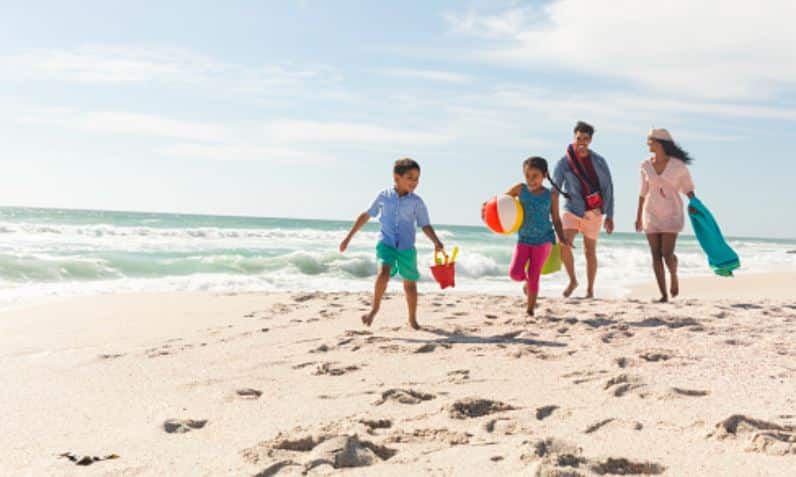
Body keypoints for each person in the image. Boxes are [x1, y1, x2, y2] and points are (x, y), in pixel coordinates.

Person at [339, 158, 444, 329]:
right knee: (383, 274)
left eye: (417, 178)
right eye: (410, 177)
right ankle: (374, 309)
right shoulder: (384, 196)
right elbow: (367, 215)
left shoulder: (417, 202)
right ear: (397, 177)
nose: (414, 182)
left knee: (410, 285)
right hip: (386, 243)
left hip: (406, 248)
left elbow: (425, 224)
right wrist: (348, 237)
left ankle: (412, 319)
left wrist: (437, 242)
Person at [552, 121, 615, 298]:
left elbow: (609, 188)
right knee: (564, 244)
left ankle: (590, 290)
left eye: (585, 139)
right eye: (579, 138)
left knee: (590, 252)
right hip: (572, 209)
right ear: (574, 137)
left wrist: (610, 215)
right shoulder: (564, 162)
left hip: (594, 213)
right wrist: (552, 213)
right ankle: (572, 280)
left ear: (590, 140)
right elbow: (555, 190)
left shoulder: (600, 161)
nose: (582, 142)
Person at [503, 157, 571, 315]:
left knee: (534, 274)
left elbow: (555, 219)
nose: (531, 180)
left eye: (535, 176)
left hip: (544, 240)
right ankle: (527, 282)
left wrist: (561, 237)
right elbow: (502, 202)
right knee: (514, 273)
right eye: (527, 175)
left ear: (544, 175)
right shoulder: (520, 189)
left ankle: (530, 310)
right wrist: (486, 207)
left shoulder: (551, 195)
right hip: (524, 239)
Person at [635, 128, 695, 302]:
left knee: (667, 254)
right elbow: (642, 192)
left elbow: (688, 188)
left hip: (672, 213)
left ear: (660, 142)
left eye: (650, 140)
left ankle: (674, 275)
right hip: (651, 213)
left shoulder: (678, 166)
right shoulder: (645, 165)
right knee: (655, 254)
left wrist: (694, 203)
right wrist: (638, 216)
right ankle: (663, 294)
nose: (647, 143)